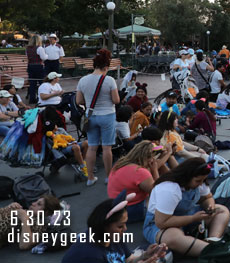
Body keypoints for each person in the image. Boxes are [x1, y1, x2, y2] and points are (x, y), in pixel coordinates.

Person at [143, 158, 230, 257]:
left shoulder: (198, 181)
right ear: (187, 177)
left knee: (221, 210)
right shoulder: (170, 189)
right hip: (160, 225)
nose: (201, 184)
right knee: (172, 238)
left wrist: (210, 207)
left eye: (203, 180)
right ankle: (212, 251)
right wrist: (193, 219)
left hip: (189, 214)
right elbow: (161, 222)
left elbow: (207, 197)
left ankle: (212, 240)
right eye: (198, 181)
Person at [62, 191, 168, 262]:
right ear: (104, 226)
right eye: (120, 226)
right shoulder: (91, 255)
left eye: (125, 224)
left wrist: (145, 256)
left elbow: (128, 259)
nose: (125, 229)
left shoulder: (113, 236)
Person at [76, 49, 121, 187]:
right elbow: (116, 100)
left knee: (92, 147)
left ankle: (90, 177)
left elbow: (79, 101)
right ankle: (108, 177)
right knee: (107, 148)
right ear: (106, 67)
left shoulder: (83, 80)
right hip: (107, 115)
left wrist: (89, 102)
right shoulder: (109, 80)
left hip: (91, 116)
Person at [108, 141, 163, 223]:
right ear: (145, 157)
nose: (153, 160)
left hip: (116, 205)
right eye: (152, 157)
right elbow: (158, 192)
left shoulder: (120, 163)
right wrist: (154, 170)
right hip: (130, 209)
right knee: (164, 204)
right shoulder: (139, 171)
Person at [26, 35, 48, 105]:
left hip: (30, 66)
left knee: (32, 83)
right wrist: (47, 55)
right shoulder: (39, 48)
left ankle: (32, 99)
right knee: (42, 82)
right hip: (38, 66)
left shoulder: (27, 48)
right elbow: (44, 57)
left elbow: (27, 57)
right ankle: (41, 98)